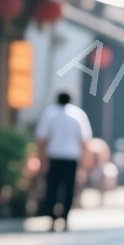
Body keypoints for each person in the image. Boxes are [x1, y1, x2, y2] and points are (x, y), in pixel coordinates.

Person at [35, 90, 91, 231]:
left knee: (52, 189)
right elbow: (85, 140)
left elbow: (41, 139)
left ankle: (52, 219)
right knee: (69, 189)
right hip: (71, 158)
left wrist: (41, 159)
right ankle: (65, 218)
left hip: (54, 157)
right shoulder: (78, 114)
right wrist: (85, 163)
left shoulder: (50, 113)